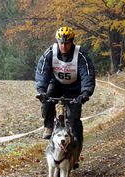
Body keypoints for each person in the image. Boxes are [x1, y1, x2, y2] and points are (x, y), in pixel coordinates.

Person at [35, 26, 95, 166]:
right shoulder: (50, 53)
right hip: (56, 84)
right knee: (47, 98)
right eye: (61, 43)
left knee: (74, 121)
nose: (64, 46)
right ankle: (49, 125)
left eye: (67, 43)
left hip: (75, 88)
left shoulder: (80, 56)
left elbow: (87, 74)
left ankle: (75, 154)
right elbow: (42, 72)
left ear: (72, 42)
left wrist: (85, 92)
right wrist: (41, 91)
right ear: (57, 42)